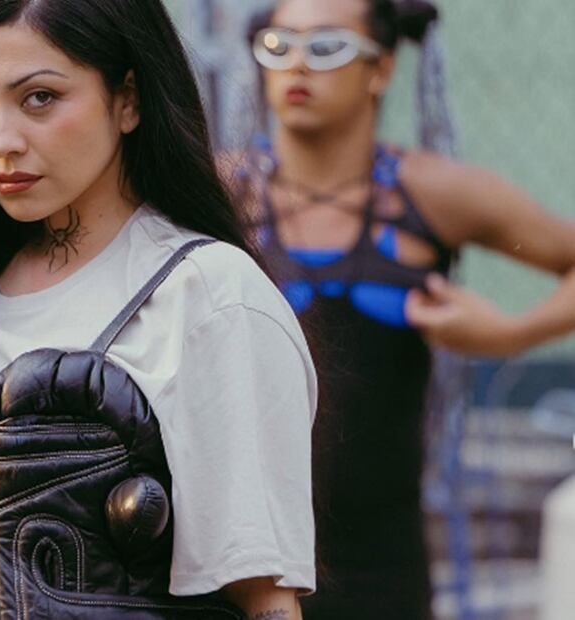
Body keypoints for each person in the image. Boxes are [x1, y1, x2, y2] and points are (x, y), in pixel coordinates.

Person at [0, 0, 318, 618]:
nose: (0, 141)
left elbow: (264, 598)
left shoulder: (208, 295)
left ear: (127, 99)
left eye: (39, 98)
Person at [227, 0, 575, 618]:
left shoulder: (429, 192)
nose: (297, 65)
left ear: (381, 69)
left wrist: (512, 333)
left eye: (327, 46)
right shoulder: (222, 194)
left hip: (383, 568)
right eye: (279, 46)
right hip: (241, 564)